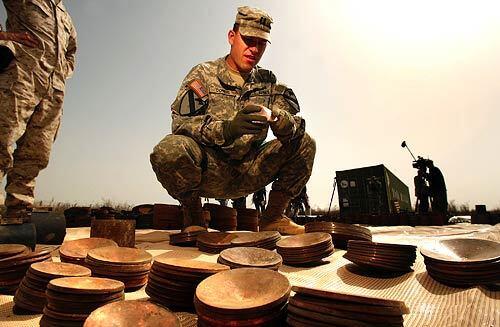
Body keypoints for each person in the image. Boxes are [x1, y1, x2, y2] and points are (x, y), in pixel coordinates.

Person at [150, 6, 316, 234]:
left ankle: (273, 217)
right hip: (211, 168)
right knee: (169, 149)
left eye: (261, 43)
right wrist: (227, 129)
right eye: (248, 40)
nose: (254, 49)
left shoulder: (268, 81)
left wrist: (279, 119)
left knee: (305, 143)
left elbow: (296, 126)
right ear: (231, 37)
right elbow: (181, 124)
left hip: (250, 170)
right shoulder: (204, 74)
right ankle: (194, 218)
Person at [0, 0, 77, 224]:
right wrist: (5, 37)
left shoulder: (65, 17)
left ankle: (18, 216)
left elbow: (71, 50)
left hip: (54, 90)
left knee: (36, 154)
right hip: (21, 76)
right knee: (2, 140)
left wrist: (62, 72)